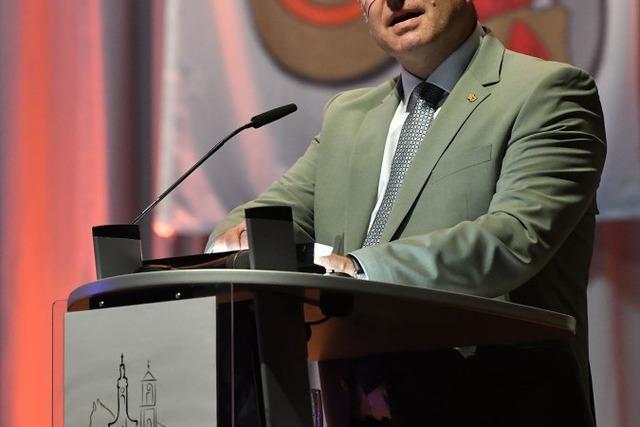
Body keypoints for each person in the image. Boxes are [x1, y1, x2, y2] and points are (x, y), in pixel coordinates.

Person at [206, 0, 606, 425]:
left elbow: (516, 237)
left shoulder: (548, 91)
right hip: (358, 406)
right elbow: (267, 214)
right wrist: (234, 240)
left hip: (496, 403)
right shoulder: (350, 116)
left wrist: (359, 270)